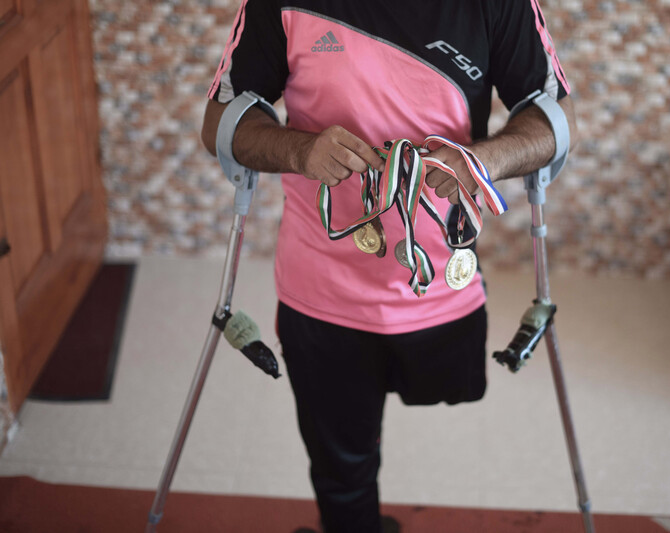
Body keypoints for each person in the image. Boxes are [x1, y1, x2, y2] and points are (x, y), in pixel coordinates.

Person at [201, 1, 577, 531]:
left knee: (441, 412)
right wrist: (301, 150)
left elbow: (553, 117)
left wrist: (483, 162)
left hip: (442, 287)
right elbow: (222, 118)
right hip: (321, 289)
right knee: (341, 470)